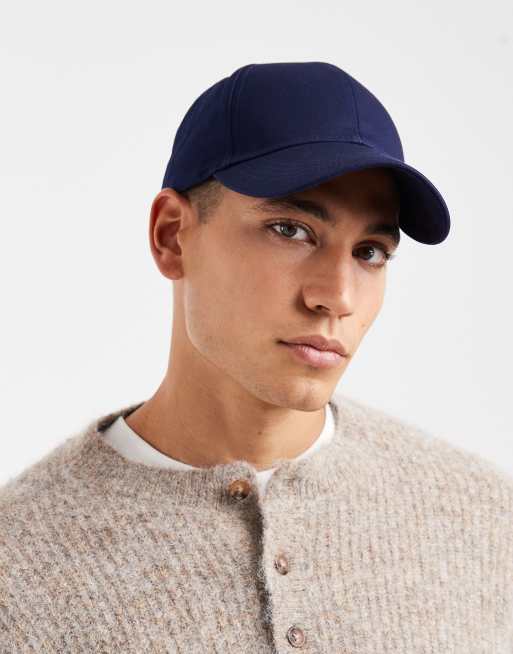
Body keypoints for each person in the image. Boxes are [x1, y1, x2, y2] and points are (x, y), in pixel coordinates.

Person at [1, 61, 512, 653]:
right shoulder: (20, 571)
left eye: (370, 252)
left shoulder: (484, 522)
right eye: (290, 230)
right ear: (171, 236)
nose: (337, 297)